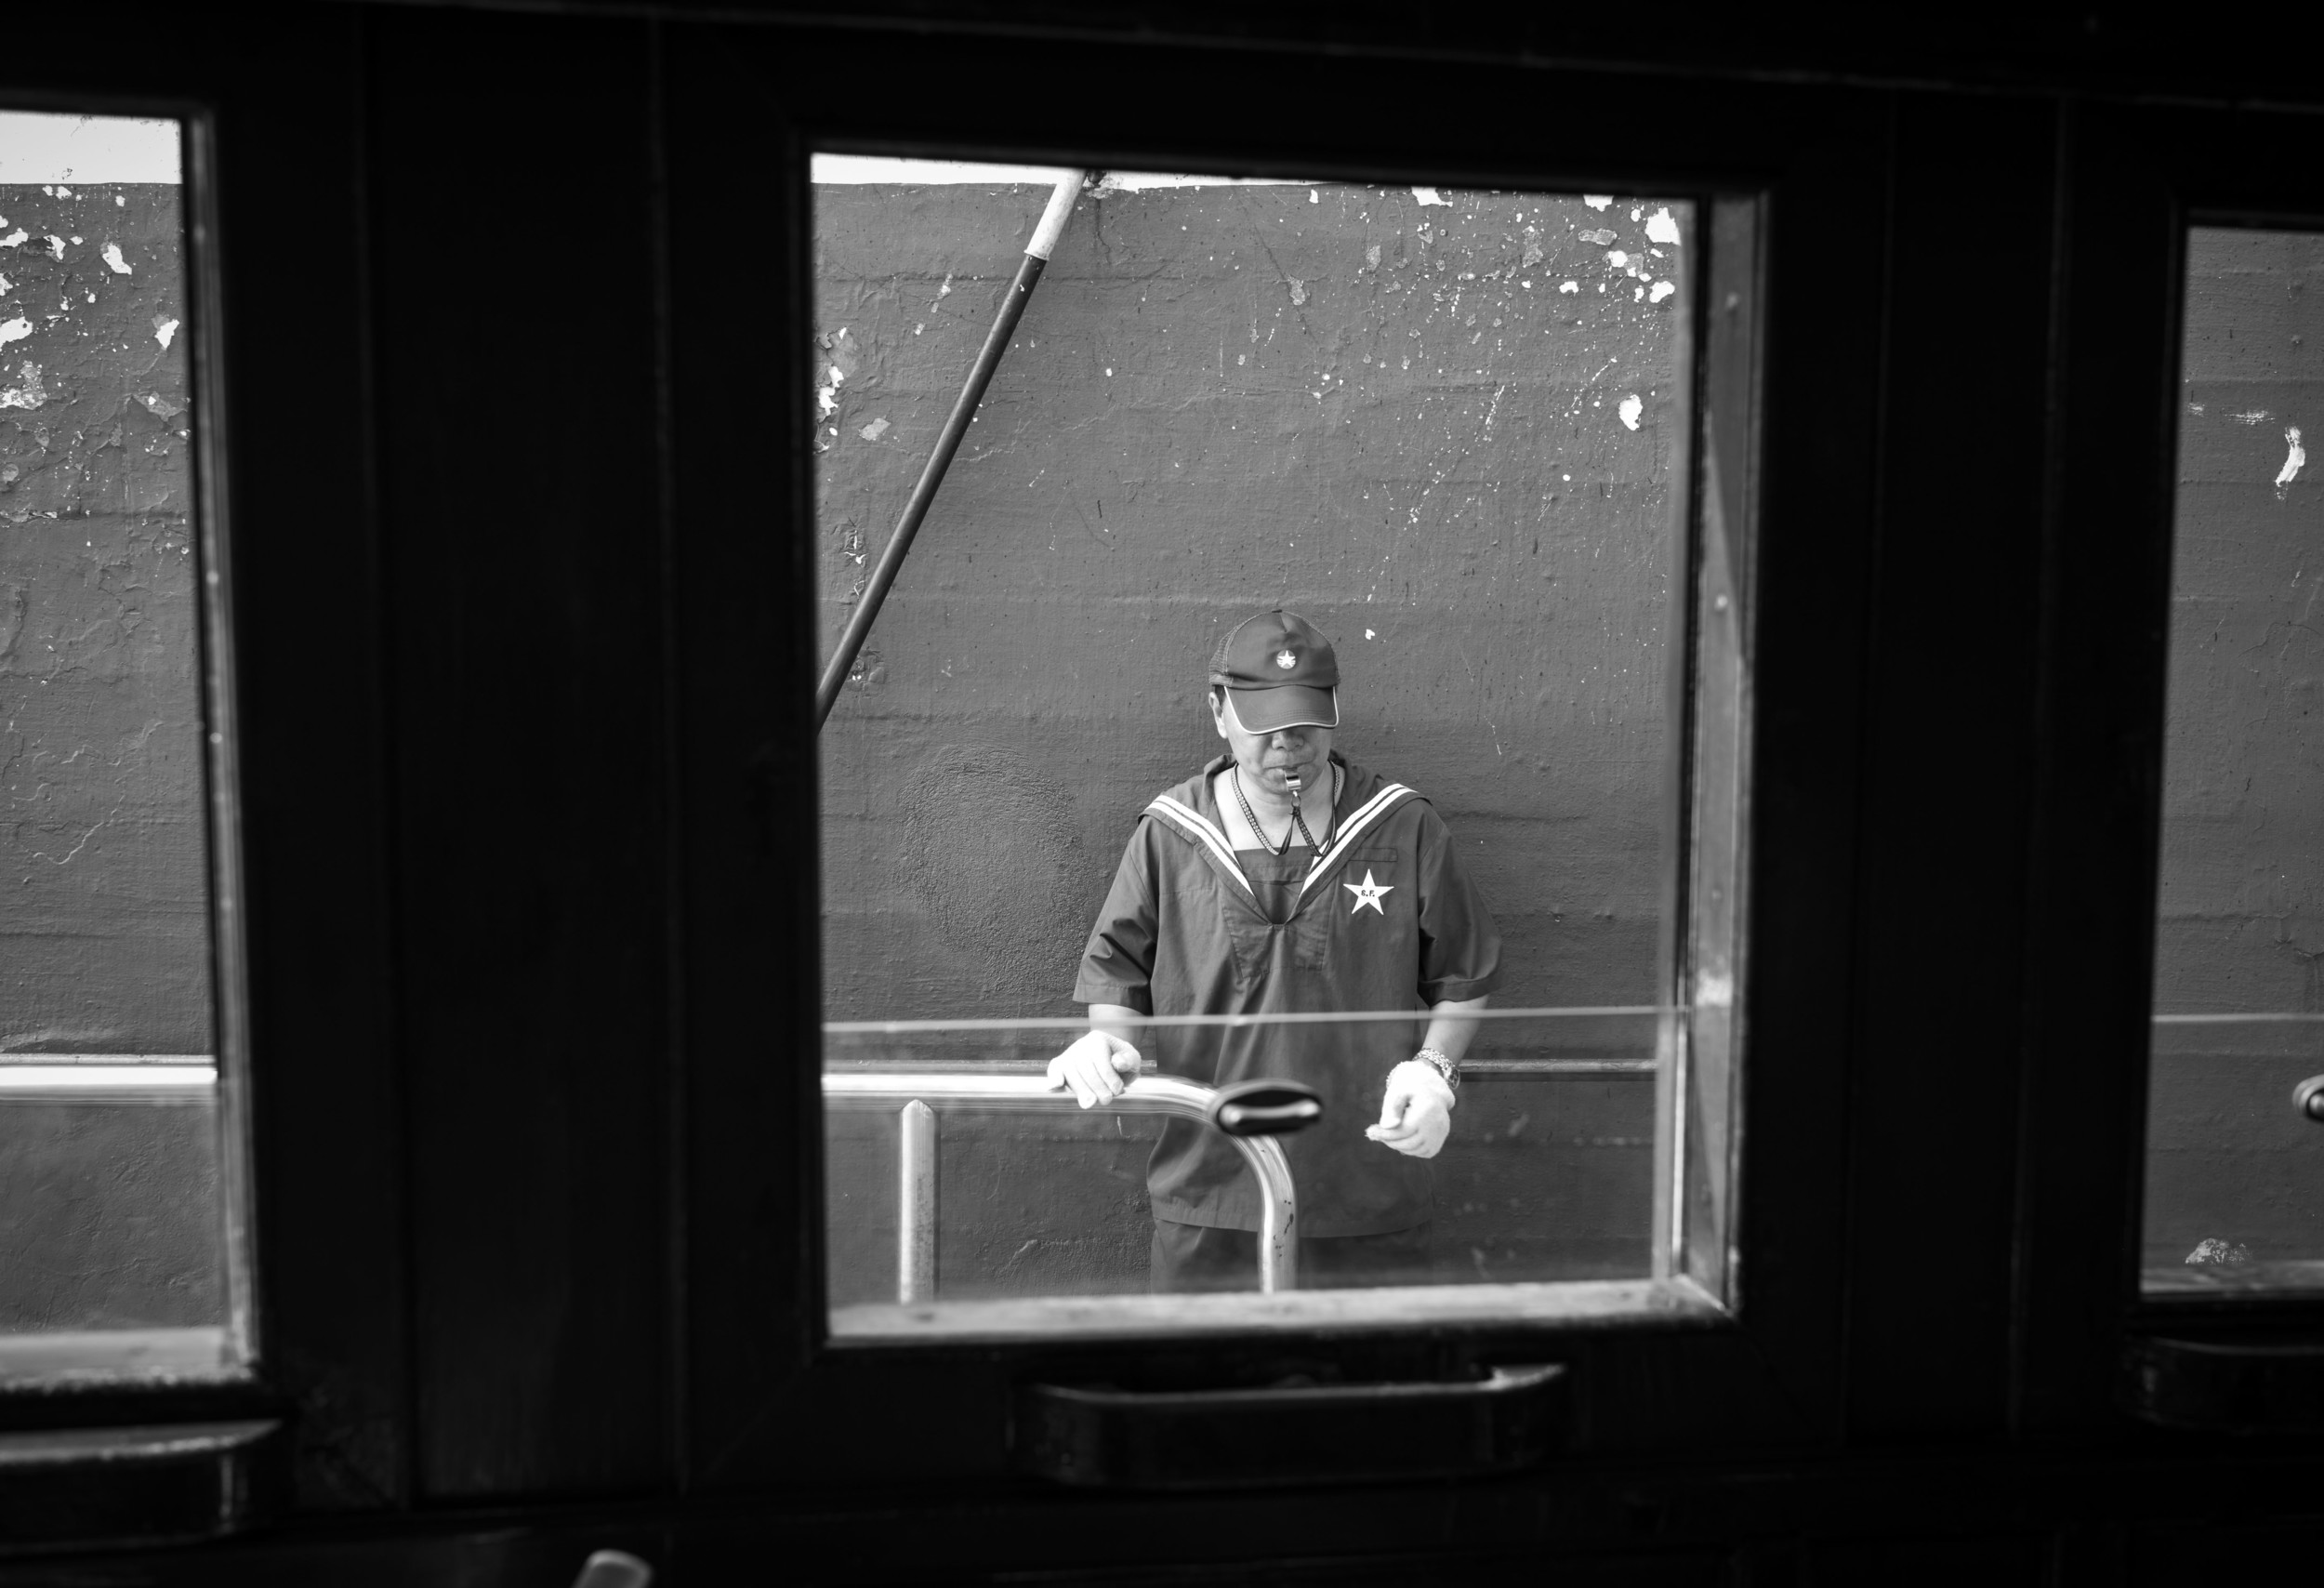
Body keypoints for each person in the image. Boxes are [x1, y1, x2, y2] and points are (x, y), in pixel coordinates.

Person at [1050, 609, 1501, 1291]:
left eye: (1306, 723)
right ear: (1218, 711)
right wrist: (1105, 1043)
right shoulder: (1172, 832)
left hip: (1368, 1186)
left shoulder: (1402, 825)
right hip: (1210, 1188)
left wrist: (1435, 1069)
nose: (1288, 744)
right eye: (1265, 726)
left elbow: (1463, 974)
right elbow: (1116, 974)